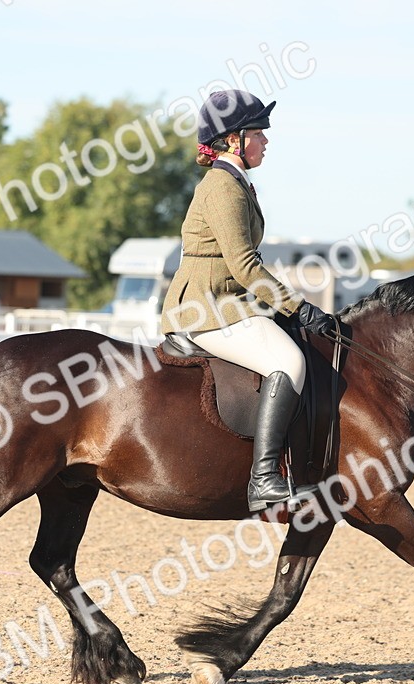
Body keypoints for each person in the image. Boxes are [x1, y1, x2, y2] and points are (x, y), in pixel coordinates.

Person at [160, 89, 335, 512]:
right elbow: (244, 265)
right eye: (259, 133)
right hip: (208, 308)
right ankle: (264, 481)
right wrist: (299, 306)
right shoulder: (223, 186)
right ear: (235, 139)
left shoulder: (237, 183)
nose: (266, 141)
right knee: (289, 362)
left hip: (226, 301)